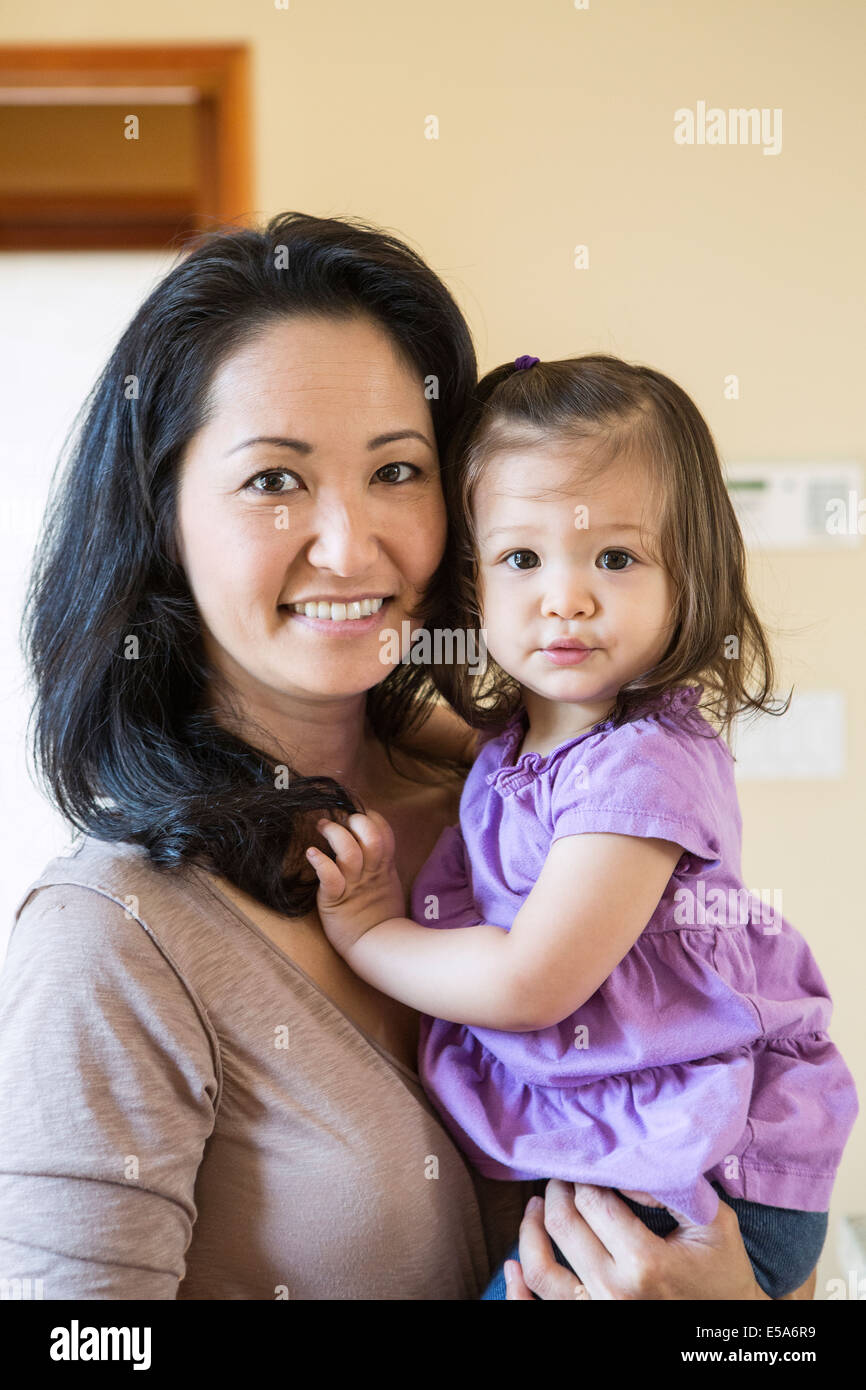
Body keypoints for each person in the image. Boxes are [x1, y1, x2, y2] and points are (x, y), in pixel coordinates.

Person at [0, 215, 817, 1300]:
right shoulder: (113, 935)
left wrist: (732, 1321)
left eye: (396, 469)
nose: (350, 543)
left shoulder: (531, 808)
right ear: (163, 520)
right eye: (273, 481)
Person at [304, 353, 858, 1300]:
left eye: (616, 557)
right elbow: (451, 740)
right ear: (475, 585)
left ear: (692, 575)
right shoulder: (530, 743)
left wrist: (369, 932)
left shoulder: (641, 772)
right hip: (656, 1148)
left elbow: (530, 984)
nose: (566, 597)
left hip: (713, 1172)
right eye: (523, 558)